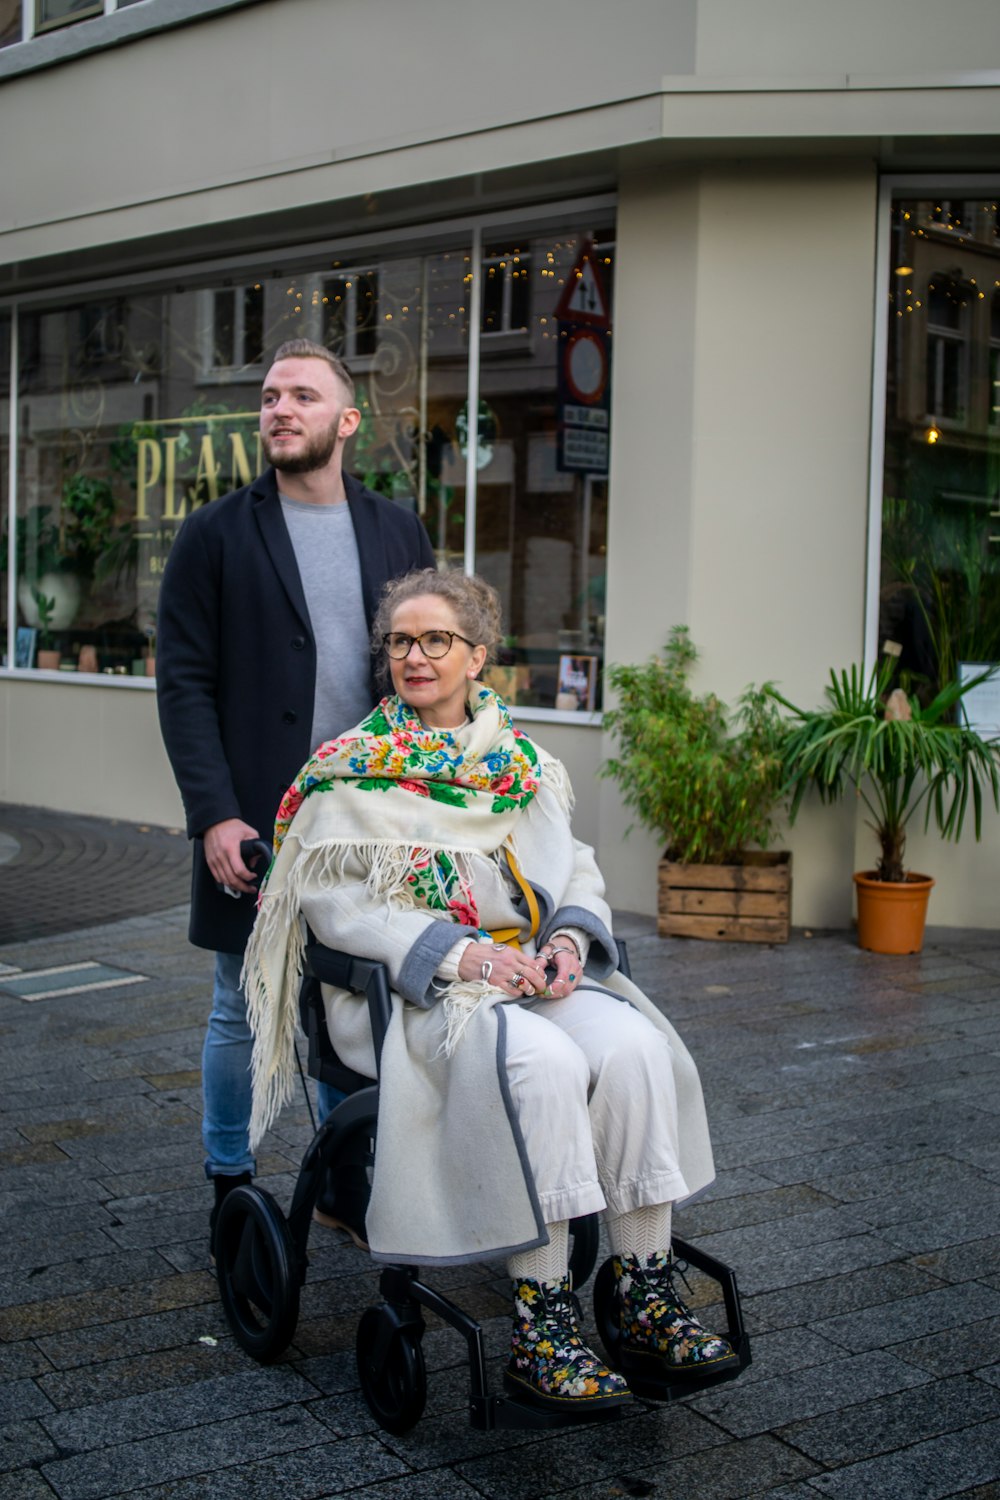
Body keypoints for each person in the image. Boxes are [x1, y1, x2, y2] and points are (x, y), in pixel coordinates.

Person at [243, 569, 738, 1413]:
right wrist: (463, 958)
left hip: (528, 973)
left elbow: (573, 868)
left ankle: (642, 1291)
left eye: (436, 640)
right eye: (401, 640)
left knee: (633, 1049)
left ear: (477, 655)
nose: (415, 656)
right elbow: (336, 908)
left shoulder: (521, 762)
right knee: (542, 1062)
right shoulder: (348, 771)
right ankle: (542, 1326)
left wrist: (571, 942)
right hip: (415, 992)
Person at [155, 339, 435, 1254]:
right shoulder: (215, 533)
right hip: (257, 819)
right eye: (270, 395)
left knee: (353, 998)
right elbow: (184, 681)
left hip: (367, 817)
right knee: (241, 1001)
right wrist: (214, 812)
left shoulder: (399, 530)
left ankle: (341, 1181)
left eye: (302, 396)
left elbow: (427, 672)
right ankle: (228, 1179)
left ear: (346, 421)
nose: (278, 408)